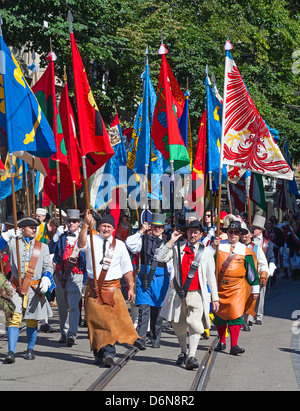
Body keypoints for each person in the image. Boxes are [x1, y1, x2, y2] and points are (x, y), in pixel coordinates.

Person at [155, 220, 219, 370]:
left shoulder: (207, 253)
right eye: (190, 231)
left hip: (197, 293)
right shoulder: (178, 248)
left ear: (201, 235)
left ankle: (191, 356)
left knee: (195, 323)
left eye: (196, 232)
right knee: (178, 325)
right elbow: (160, 257)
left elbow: (211, 277)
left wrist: (215, 298)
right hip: (178, 292)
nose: (193, 234)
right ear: (186, 233)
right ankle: (183, 352)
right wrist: (171, 240)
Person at [78, 212, 139, 368]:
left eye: (109, 226)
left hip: (113, 288)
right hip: (93, 287)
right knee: (95, 321)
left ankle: (109, 353)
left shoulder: (119, 245)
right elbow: (81, 245)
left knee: (109, 322)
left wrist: (130, 287)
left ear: (113, 229)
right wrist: (85, 224)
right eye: (103, 226)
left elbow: (127, 269)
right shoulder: (91, 239)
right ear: (99, 227)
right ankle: (99, 353)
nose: (106, 229)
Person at [0, 216, 54, 363]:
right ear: (22, 229)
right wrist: (6, 235)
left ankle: (30, 348)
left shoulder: (43, 247)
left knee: (32, 321)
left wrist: (47, 278)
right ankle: (11, 352)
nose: (34, 229)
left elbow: (48, 267)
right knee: (14, 319)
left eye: (35, 227)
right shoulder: (13, 243)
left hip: (34, 289)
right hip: (16, 288)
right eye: (30, 227)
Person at [210, 220, 260, 355]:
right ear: (227, 233)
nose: (233, 235)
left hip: (237, 287)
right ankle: (221, 341)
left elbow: (251, 271)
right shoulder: (219, 246)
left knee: (236, 315)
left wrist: (255, 288)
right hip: (219, 286)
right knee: (219, 316)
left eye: (236, 232)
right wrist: (212, 248)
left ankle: (234, 345)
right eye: (230, 232)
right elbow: (207, 261)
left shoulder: (245, 250)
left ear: (240, 234)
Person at [125, 213, 171, 350]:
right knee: (144, 309)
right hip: (144, 278)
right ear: (151, 226)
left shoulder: (167, 243)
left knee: (157, 311)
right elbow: (129, 244)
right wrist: (141, 231)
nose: (157, 229)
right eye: (155, 226)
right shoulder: (142, 239)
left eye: (160, 227)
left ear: (163, 229)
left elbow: (170, 264)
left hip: (160, 279)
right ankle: (141, 338)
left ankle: (156, 338)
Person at [49, 209, 86, 347]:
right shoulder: (62, 236)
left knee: (74, 306)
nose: (72, 223)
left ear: (79, 223)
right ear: (66, 222)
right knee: (62, 306)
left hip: (76, 275)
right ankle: (64, 333)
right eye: (69, 221)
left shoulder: (84, 237)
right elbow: (50, 250)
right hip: (60, 275)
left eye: (74, 221)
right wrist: (56, 236)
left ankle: (72, 333)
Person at [240, 223, 269, 331]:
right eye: (242, 233)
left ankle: (245, 322)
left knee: (249, 302)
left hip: (251, 279)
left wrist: (263, 275)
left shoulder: (256, 248)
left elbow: (263, 264)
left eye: (246, 232)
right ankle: (235, 322)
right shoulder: (236, 246)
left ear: (251, 235)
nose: (243, 235)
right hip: (238, 278)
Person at [252, 215, 276, 325]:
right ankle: (250, 315)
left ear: (261, 230)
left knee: (261, 295)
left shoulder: (267, 243)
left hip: (262, 272)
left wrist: (268, 271)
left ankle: (259, 316)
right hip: (250, 272)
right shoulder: (248, 241)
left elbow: (271, 258)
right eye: (253, 227)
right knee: (250, 294)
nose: (253, 230)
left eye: (256, 228)